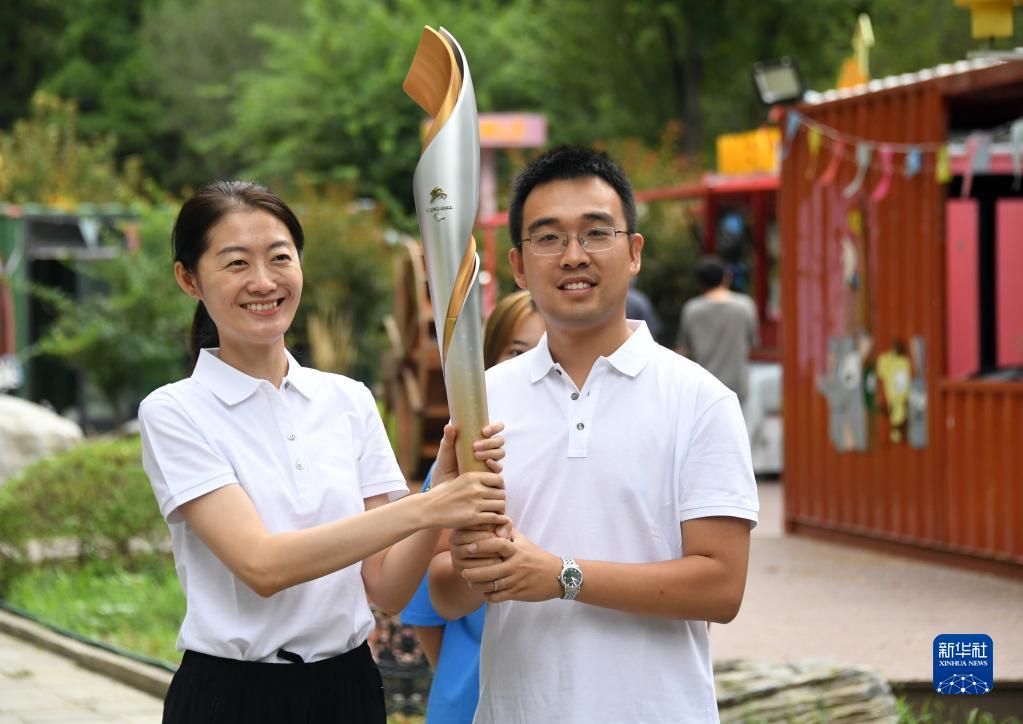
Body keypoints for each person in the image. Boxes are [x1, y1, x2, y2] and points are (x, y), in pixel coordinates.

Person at [137, 181, 508, 724]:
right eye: (236, 263)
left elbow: (386, 585)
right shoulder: (176, 412)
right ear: (188, 279)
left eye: (279, 258)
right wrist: (427, 507)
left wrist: (441, 488)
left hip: (348, 688)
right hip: (233, 697)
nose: (263, 282)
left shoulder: (347, 401)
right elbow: (261, 565)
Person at [429, 146, 759, 723]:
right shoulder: (482, 398)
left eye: (596, 233)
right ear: (518, 264)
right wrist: (473, 562)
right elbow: (447, 596)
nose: (573, 256)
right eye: (549, 238)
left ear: (633, 253)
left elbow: (721, 587)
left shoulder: (700, 400)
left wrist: (563, 577)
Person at [400, 290, 544, 724]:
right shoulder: (459, 464)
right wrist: (464, 674)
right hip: (471, 698)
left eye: (544, 352)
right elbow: (424, 610)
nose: (530, 368)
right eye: (516, 352)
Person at [675, 255, 759, 406]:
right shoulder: (745, 306)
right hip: (738, 384)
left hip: (704, 385)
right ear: (726, 277)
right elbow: (753, 344)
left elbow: (682, 350)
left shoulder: (692, 309)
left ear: (700, 283)